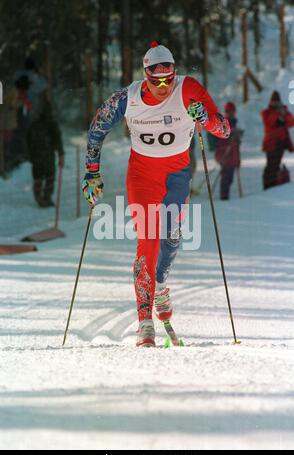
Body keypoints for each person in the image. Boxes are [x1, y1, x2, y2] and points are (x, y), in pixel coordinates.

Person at [82, 42, 230, 347]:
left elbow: (224, 130)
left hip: (176, 177)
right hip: (142, 177)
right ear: (145, 75)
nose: (164, 86)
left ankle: (161, 284)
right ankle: (145, 321)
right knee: (148, 238)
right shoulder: (129, 97)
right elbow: (97, 128)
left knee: (172, 236)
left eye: (169, 78)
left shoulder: (188, 89)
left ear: (175, 72)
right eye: (156, 80)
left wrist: (204, 119)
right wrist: (92, 171)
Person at [27, 91, 64, 207]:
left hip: (38, 151)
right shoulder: (50, 121)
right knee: (49, 175)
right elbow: (57, 138)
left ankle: (42, 197)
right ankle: (45, 197)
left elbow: (28, 138)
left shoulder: (35, 119)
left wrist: (29, 153)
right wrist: (61, 154)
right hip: (45, 151)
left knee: (40, 174)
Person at [261, 91, 294, 190]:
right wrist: (278, 113)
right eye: (274, 101)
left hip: (281, 143)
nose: (275, 103)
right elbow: (269, 122)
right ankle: (268, 185)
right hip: (271, 144)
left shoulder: (283, 112)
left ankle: (274, 184)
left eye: (277, 101)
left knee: (275, 165)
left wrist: (283, 113)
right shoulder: (266, 113)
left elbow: (291, 122)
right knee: (271, 165)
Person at [215, 101, 243, 200]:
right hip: (224, 153)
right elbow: (222, 137)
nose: (231, 113)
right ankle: (224, 197)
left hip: (232, 153)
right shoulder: (223, 122)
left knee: (229, 177)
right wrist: (232, 136)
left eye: (232, 111)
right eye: (229, 111)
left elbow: (234, 139)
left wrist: (237, 137)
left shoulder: (234, 121)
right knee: (226, 176)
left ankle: (225, 196)